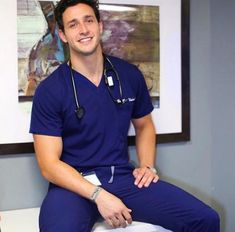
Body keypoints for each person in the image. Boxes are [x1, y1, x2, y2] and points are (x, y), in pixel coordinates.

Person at [30, 0, 220, 231]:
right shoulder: (50, 90)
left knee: (206, 219)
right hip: (72, 186)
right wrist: (99, 196)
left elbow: (145, 125)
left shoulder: (128, 75)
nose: (83, 30)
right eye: (73, 24)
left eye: (89, 20)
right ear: (63, 35)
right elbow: (49, 165)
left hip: (121, 178)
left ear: (100, 25)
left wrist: (147, 166)